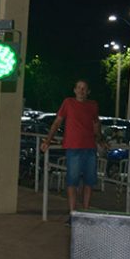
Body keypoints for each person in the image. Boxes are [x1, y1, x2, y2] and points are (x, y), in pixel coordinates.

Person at [40, 79, 104, 217]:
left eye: (84, 88)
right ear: (74, 90)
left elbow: (96, 124)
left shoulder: (92, 105)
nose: (81, 90)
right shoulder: (68, 102)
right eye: (79, 88)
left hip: (90, 147)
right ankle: (73, 213)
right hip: (73, 147)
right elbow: (57, 122)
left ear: (88, 91)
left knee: (89, 181)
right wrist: (48, 140)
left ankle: (85, 212)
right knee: (72, 181)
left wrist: (101, 139)